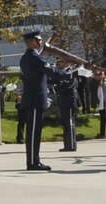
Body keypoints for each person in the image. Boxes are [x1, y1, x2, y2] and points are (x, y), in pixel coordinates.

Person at [19, 30, 73, 171]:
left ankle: (34, 161)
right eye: (38, 40)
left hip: (34, 98)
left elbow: (44, 76)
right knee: (33, 132)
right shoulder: (34, 58)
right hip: (35, 99)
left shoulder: (28, 57)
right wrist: (70, 74)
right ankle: (32, 162)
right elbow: (51, 72)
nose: (41, 42)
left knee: (34, 131)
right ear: (32, 42)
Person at [53, 60, 80, 152]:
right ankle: (67, 145)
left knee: (69, 123)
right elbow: (55, 83)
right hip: (63, 101)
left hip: (69, 101)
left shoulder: (72, 72)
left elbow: (70, 85)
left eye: (62, 62)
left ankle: (71, 145)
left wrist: (57, 89)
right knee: (66, 124)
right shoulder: (62, 72)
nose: (60, 64)